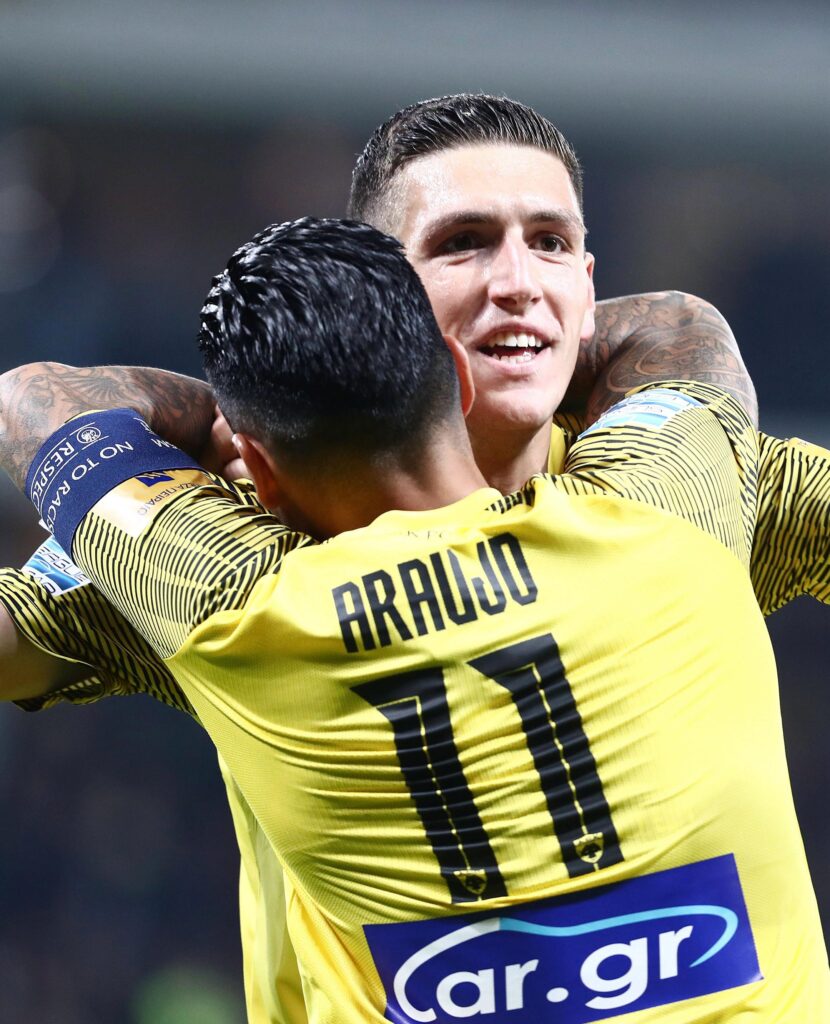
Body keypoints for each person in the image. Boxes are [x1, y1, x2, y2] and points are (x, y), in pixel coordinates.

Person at [1, 94, 828, 1024]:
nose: (518, 281)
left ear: (587, 281)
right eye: (464, 245)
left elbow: (45, 408)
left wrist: (251, 406)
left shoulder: (224, 572)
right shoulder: (679, 494)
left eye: (550, 244)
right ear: (381, 298)